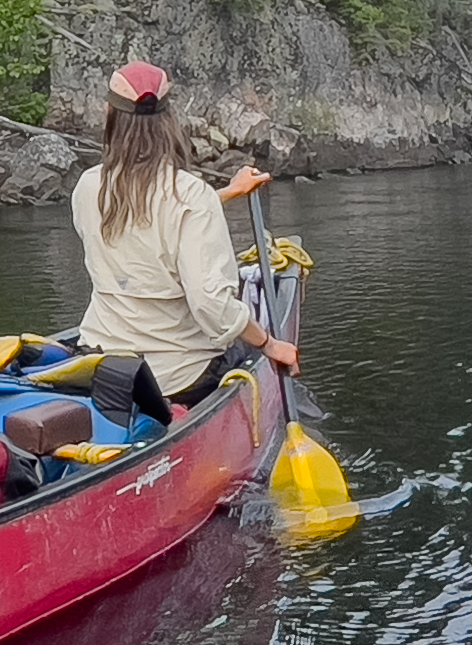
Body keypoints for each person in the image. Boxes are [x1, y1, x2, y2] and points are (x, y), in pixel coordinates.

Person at [68, 58, 304, 404]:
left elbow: (143, 224)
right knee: (240, 346)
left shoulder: (89, 187)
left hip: (104, 366)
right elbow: (212, 306)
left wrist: (224, 194)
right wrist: (269, 343)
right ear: (168, 120)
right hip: (177, 378)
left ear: (109, 114)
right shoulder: (191, 196)